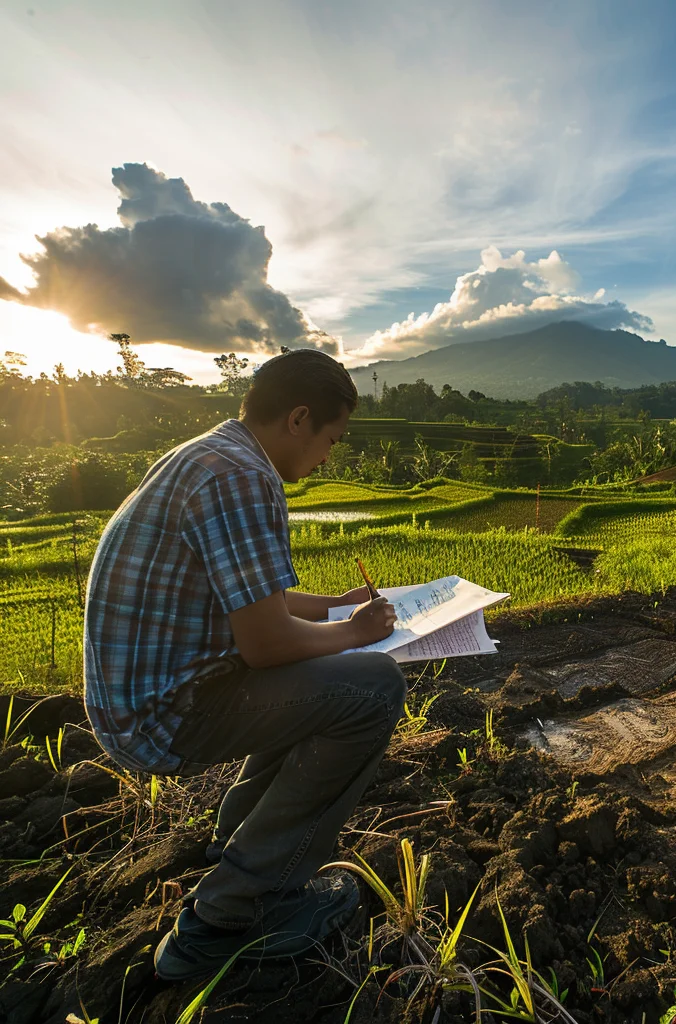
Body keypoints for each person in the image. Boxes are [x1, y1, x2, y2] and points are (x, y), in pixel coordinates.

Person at [82, 349, 407, 981]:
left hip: (151, 698)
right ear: (299, 419)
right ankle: (231, 912)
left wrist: (334, 608)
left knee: (331, 680)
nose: (327, 459)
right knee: (372, 688)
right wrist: (355, 632)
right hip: (163, 715)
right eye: (331, 441)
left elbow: (259, 601)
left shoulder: (217, 455)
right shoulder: (241, 478)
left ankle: (239, 840)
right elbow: (264, 645)